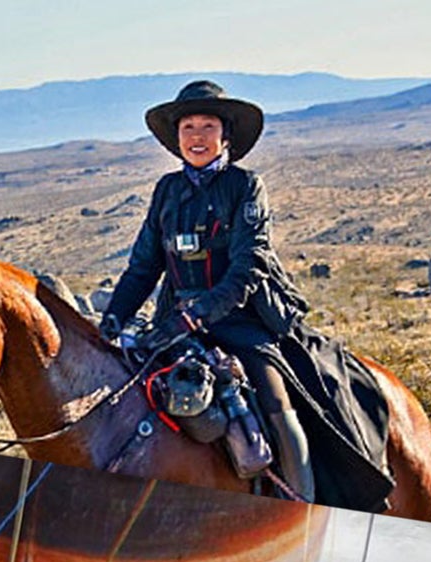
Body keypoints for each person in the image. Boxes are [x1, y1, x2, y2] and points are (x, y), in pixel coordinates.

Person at [99, 80, 330, 503]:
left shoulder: (245, 186)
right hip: (174, 326)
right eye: (188, 127)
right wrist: (112, 320)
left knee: (279, 411)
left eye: (208, 126)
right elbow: (144, 265)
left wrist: (197, 314)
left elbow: (249, 266)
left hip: (242, 322)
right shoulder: (167, 190)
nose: (197, 136)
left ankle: (302, 514)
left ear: (226, 136)